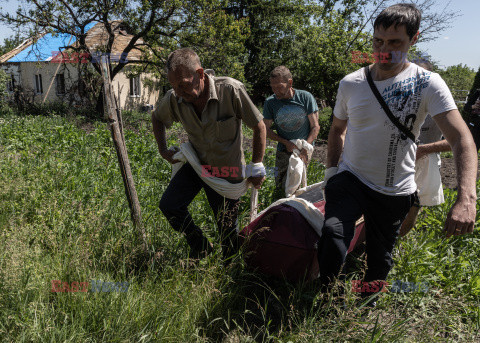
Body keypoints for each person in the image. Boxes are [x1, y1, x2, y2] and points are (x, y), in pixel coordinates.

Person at [318, 3, 477, 303]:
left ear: (413, 39)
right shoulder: (351, 83)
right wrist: (331, 174)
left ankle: (367, 303)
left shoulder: (428, 84)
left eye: (395, 43)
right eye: (378, 41)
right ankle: (327, 297)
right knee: (332, 236)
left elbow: (461, 139)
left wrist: (467, 197)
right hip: (350, 179)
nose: (384, 51)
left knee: (380, 259)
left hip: (394, 189)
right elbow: (337, 129)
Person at [152, 48, 266, 260]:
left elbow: (259, 126)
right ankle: (202, 246)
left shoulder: (230, 90)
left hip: (227, 172)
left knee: (227, 231)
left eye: (184, 84)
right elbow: (157, 118)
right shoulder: (175, 98)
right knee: (170, 206)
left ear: (200, 74)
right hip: (197, 166)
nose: (178, 92)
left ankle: (229, 272)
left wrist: (256, 166)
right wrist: (163, 149)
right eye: (174, 86)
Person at [399, 59, 452, 236]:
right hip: (397, 162)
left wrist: (423, 149)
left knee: (413, 206)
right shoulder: (399, 102)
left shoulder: (439, 107)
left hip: (424, 164)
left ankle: (396, 241)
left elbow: (455, 141)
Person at [263, 66, 320, 200]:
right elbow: (266, 129)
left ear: (290, 83)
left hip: (303, 149)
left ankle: (297, 213)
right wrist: (286, 143)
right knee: (281, 186)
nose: (276, 91)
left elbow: (315, 127)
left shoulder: (305, 98)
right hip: (283, 150)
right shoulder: (270, 102)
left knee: (297, 186)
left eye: (279, 86)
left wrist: (305, 148)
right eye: (273, 87)